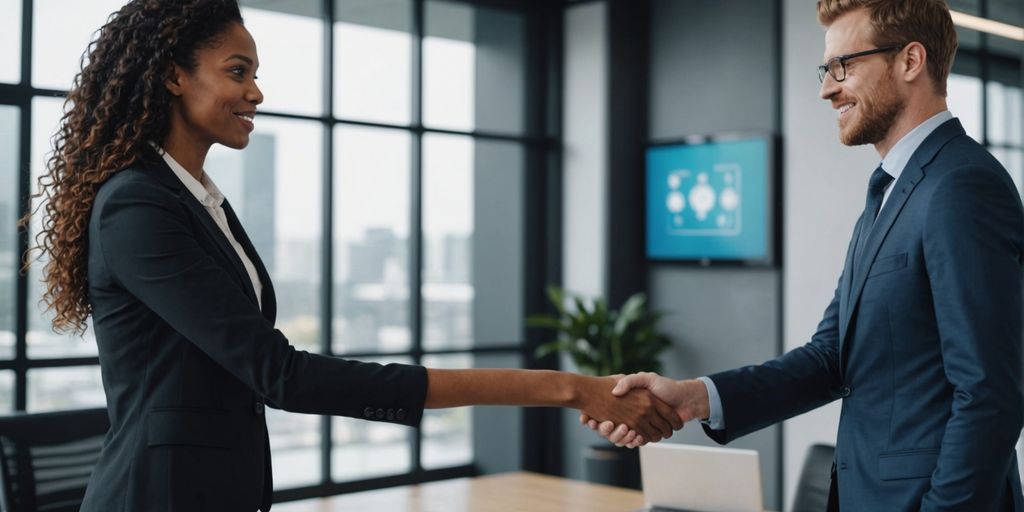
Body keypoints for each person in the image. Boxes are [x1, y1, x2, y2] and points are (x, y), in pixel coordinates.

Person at [23, 1, 683, 511]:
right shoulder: (137, 206)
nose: (255, 92)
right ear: (171, 74)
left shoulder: (199, 200)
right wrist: (563, 387)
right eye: (237, 72)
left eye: (254, 73)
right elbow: (282, 375)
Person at [584, 1, 1024, 510]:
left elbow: (990, 393)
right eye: (826, 69)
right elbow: (830, 358)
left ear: (910, 61)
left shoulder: (962, 184)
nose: (826, 88)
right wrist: (693, 398)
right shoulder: (889, 193)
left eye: (845, 66)